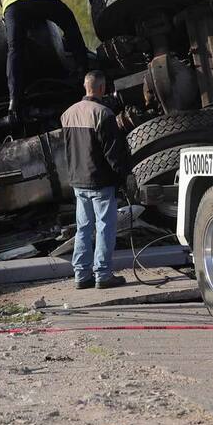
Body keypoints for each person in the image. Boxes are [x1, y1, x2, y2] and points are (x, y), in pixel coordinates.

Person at [59, 71, 131, 289]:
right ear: (102, 88)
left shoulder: (68, 114)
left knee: (83, 229)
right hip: (100, 182)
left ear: (85, 86)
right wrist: (125, 176)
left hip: (78, 181)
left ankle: (81, 275)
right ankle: (103, 275)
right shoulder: (104, 114)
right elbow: (113, 153)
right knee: (104, 228)